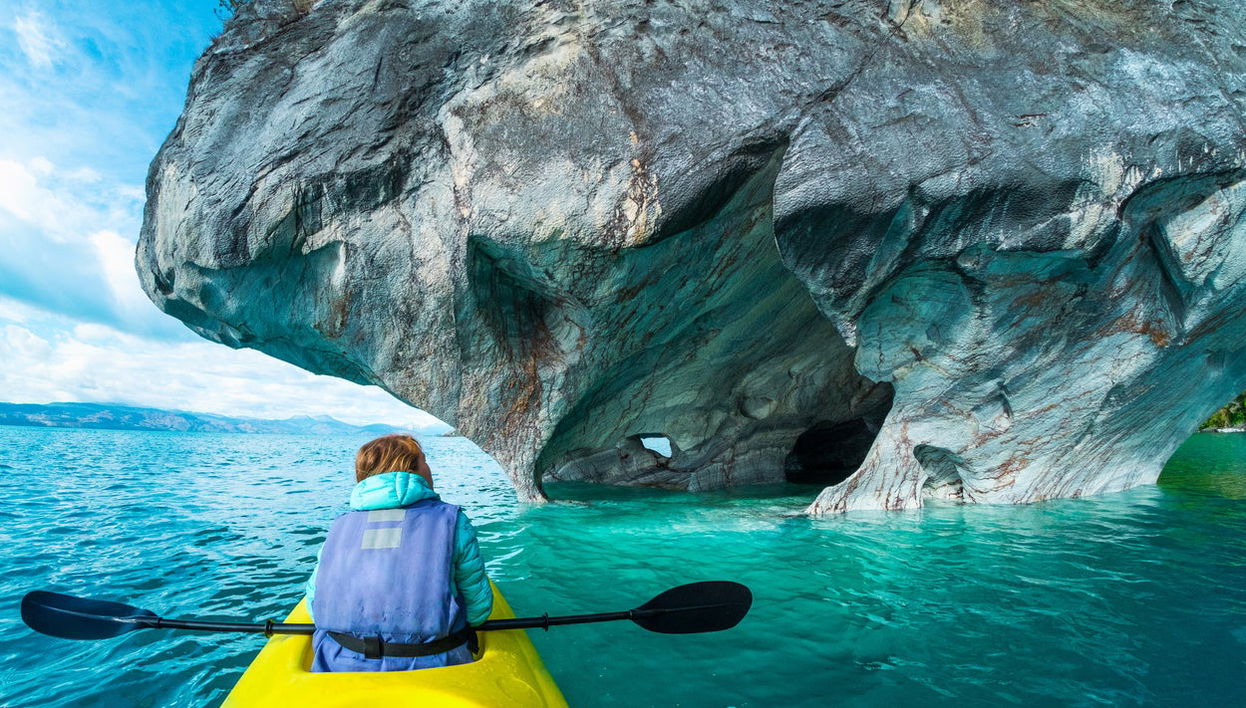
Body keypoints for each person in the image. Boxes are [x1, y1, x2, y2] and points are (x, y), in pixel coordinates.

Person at [305, 434, 493, 672]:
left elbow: (314, 605)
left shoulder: (340, 526)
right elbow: (478, 610)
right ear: (411, 470)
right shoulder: (454, 522)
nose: (429, 468)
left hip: (340, 661)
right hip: (437, 662)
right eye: (424, 461)